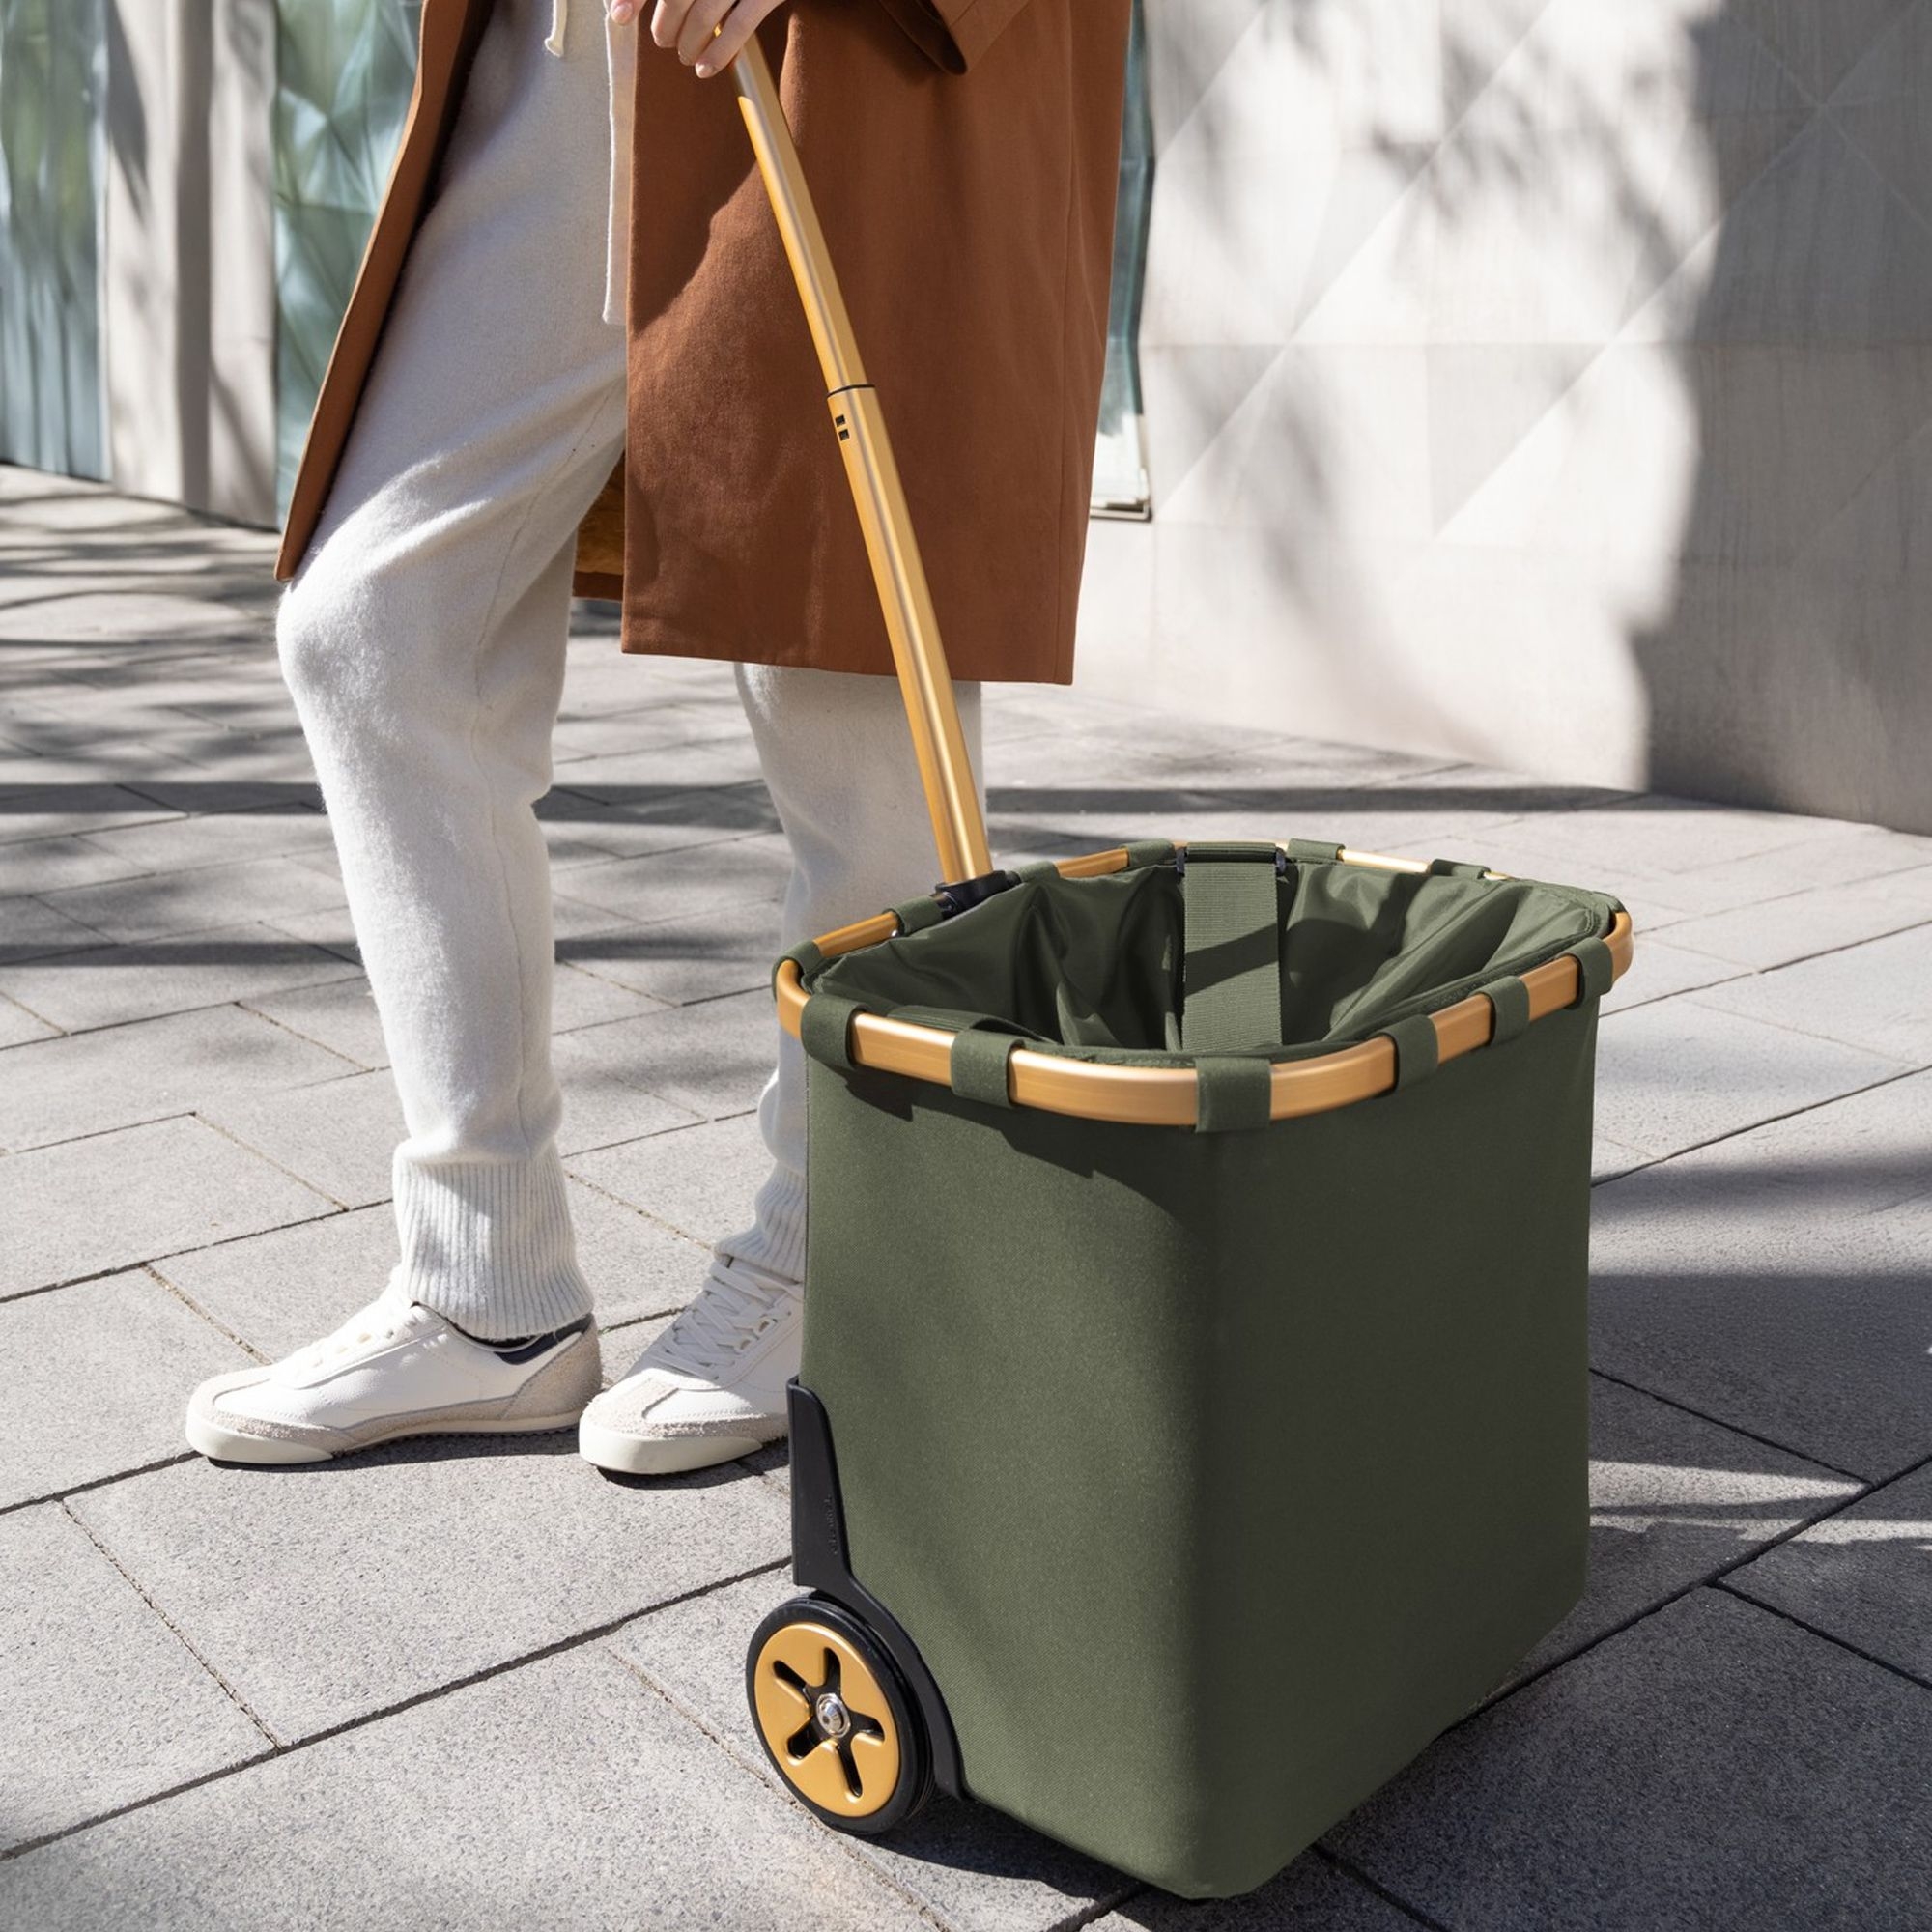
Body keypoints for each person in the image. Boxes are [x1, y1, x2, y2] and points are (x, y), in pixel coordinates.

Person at [183, 0, 1127, 1475]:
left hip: (851, 62)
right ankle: (486, 1287)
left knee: (846, 682)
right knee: (374, 626)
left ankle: (836, 1262)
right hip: (559, 70)